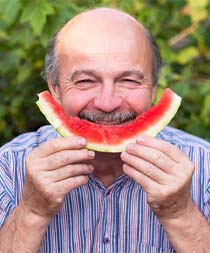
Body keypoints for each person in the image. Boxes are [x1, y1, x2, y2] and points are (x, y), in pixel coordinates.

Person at [0, 7, 209, 253]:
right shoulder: (8, 167)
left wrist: (180, 213)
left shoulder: (204, 166)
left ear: (153, 88)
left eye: (129, 80)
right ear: (54, 88)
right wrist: (32, 211)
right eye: (86, 81)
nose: (107, 103)